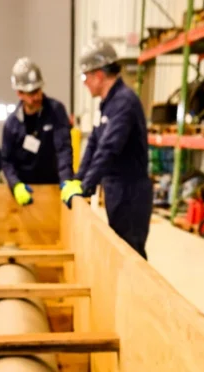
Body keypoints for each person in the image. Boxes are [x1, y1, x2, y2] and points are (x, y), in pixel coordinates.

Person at [63, 39, 152, 259]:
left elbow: (109, 149)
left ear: (99, 76)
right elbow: (94, 144)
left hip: (131, 191)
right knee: (120, 249)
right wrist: (79, 178)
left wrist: (85, 186)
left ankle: (138, 294)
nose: (84, 83)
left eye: (86, 77)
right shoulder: (107, 104)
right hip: (115, 189)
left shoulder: (124, 103)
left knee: (131, 253)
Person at [1, 57, 73, 206]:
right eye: (31, 93)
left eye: (38, 90)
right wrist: (15, 185)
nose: (37, 97)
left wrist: (66, 180)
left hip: (52, 187)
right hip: (26, 191)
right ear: (19, 93)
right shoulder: (12, 124)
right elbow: (6, 160)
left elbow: (63, 148)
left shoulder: (56, 111)